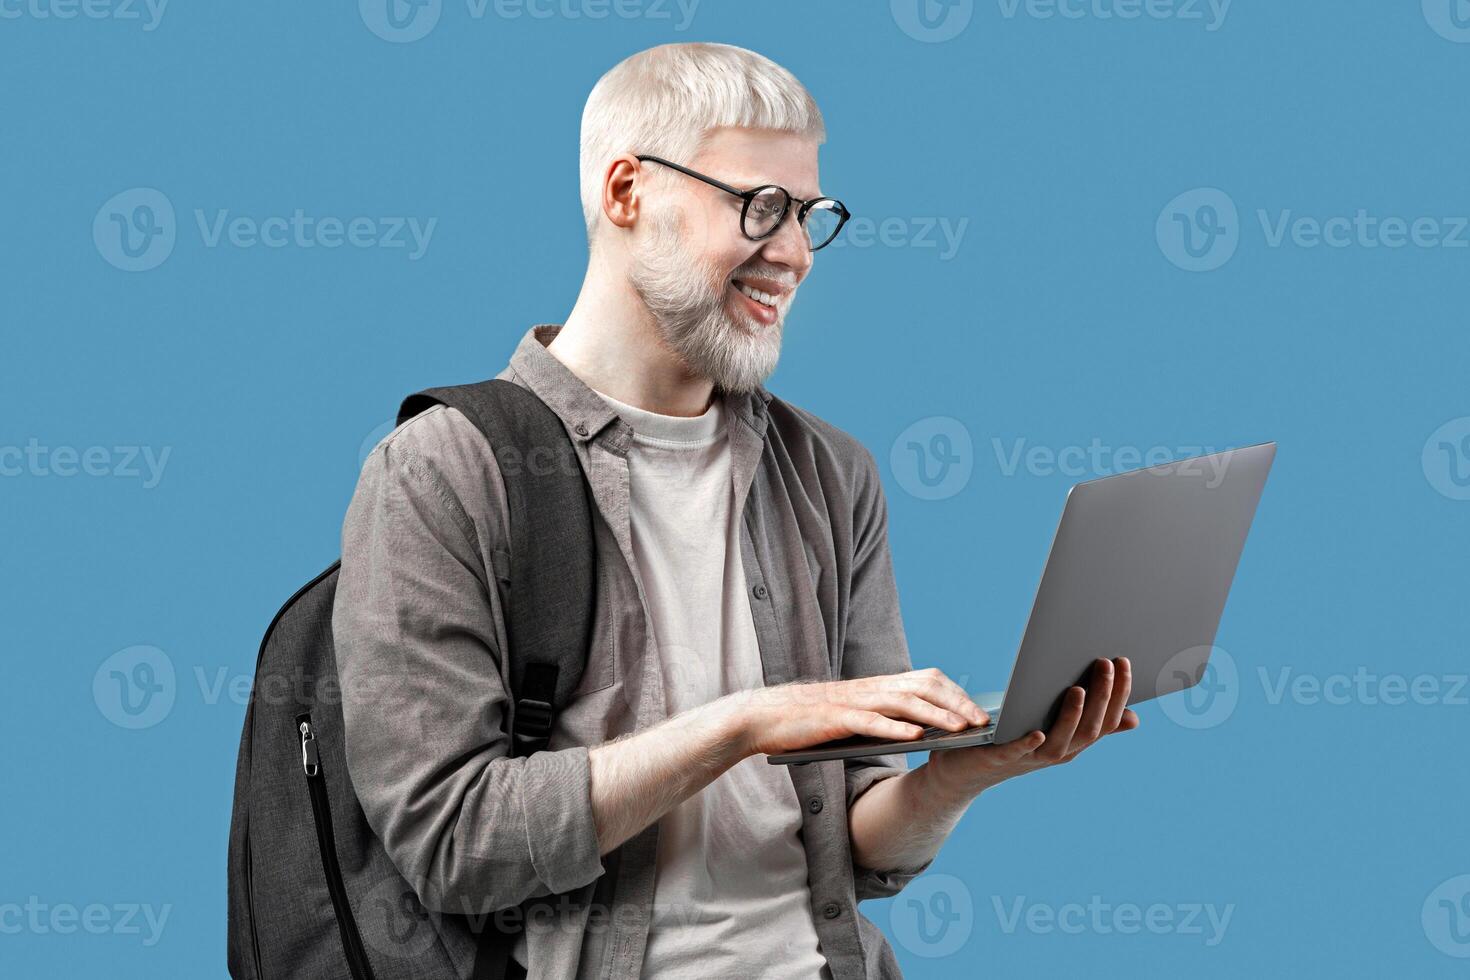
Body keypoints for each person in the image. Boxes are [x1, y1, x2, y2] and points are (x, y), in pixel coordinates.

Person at [332, 41, 1139, 980]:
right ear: (626, 192)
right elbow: (450, 842)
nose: (793, 252)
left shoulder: (830, 472)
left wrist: (958, 780)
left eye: (809, 215)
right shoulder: (444, 472)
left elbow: (859, 839)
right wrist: (743, 724)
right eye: (759, 206)